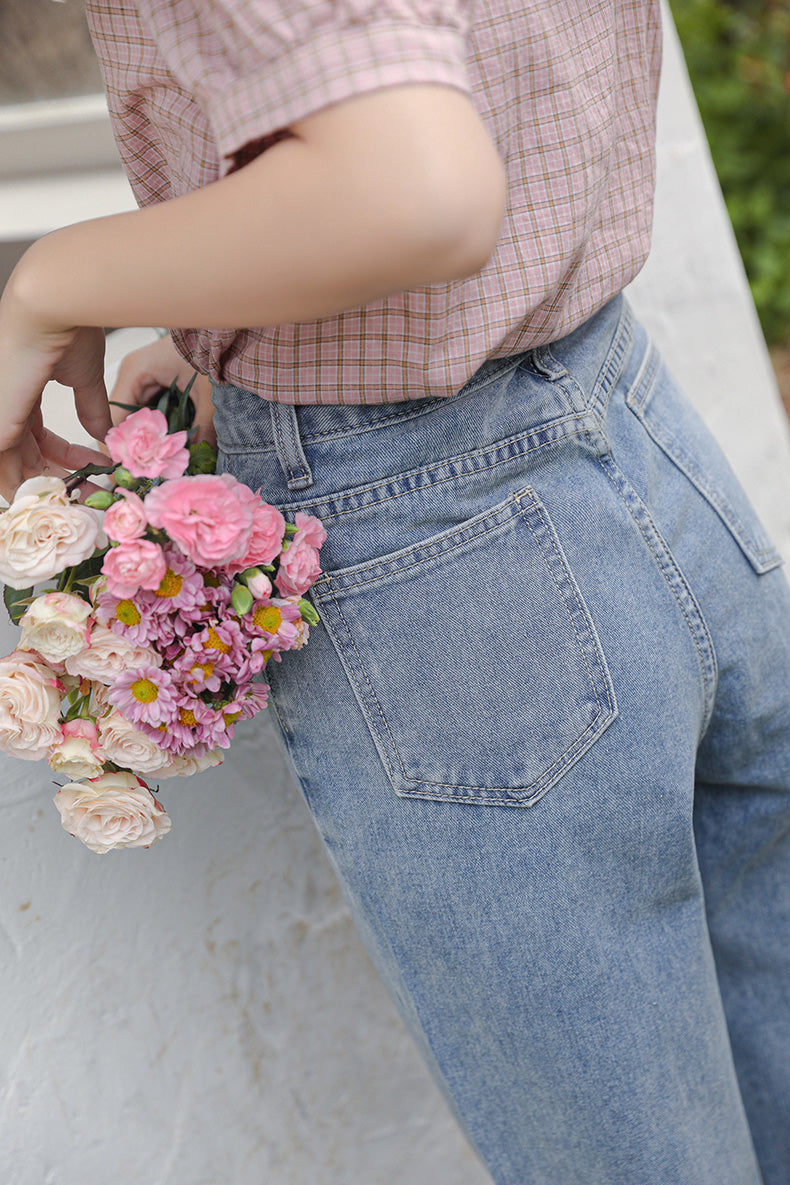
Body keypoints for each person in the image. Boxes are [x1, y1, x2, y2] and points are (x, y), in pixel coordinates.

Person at [0, 2, 788, 1182]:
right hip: (624, 412)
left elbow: (410, 187)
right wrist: (244, 325)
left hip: (439, 531)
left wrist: (49, 283)